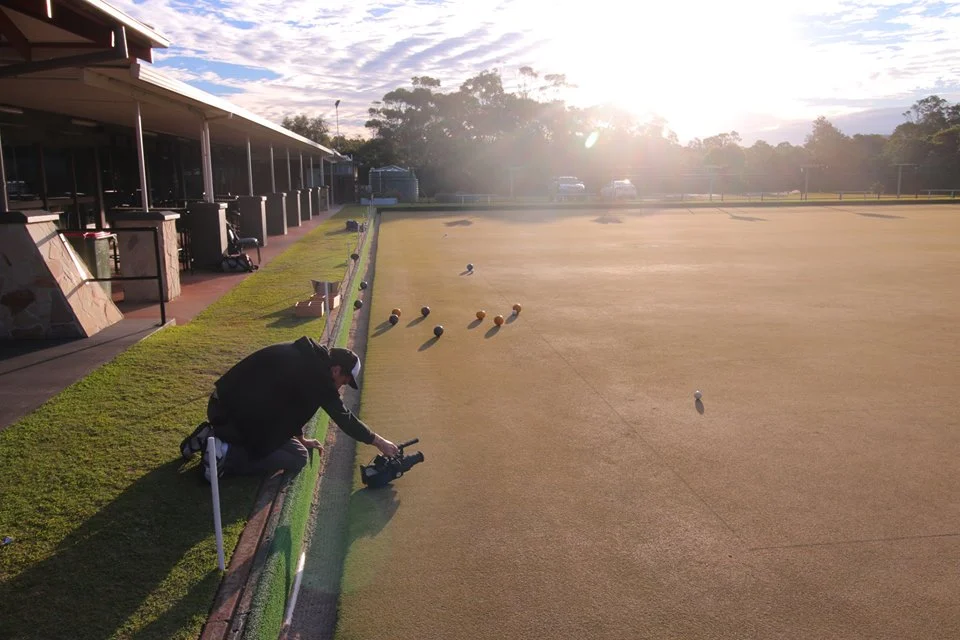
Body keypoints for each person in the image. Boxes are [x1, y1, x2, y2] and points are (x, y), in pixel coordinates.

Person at [179, 336, 399, 482]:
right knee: (296, 458)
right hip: (232, 413)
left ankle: (211, 434)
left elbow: (290, 405)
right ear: (336, 370)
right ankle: (224, 452)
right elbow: (345, 419)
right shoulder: (319, 379)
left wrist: (301, 438)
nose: (341, 387)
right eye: (344, 381)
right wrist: (379, 442)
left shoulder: (311, 357)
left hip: (221, 404)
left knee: (296, 449)